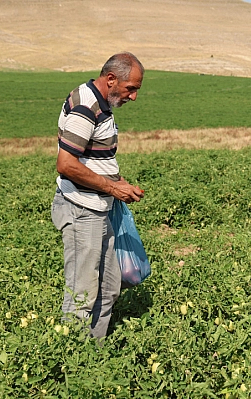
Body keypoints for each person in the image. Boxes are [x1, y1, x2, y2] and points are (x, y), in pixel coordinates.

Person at [51, 52, 145, 339]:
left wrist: (119, 181)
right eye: (131, 88)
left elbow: (93, 158)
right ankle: (69, 364)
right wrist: (113, 188)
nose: (133, 96)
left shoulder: (102, 105)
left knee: (109, 288)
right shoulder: (85, 105)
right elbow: (66, 164)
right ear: (111, 79)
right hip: (82, 210)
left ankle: (93, 360)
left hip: (99, 207)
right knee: (82, 294)